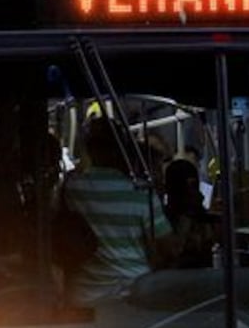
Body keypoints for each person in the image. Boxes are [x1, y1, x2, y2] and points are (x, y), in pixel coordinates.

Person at [61, 117, 175, 306]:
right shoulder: (141, 192)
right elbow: (168, 247)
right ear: (122, 149)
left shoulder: (72, 188)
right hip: (134, 295)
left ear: (88, 149)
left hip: (83, 297)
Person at [163, 158, 217, 268]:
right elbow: (174, 251)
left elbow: (210, 243)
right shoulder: (165, 220)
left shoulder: (200, 216)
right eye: (190, 187)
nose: (200, 195)